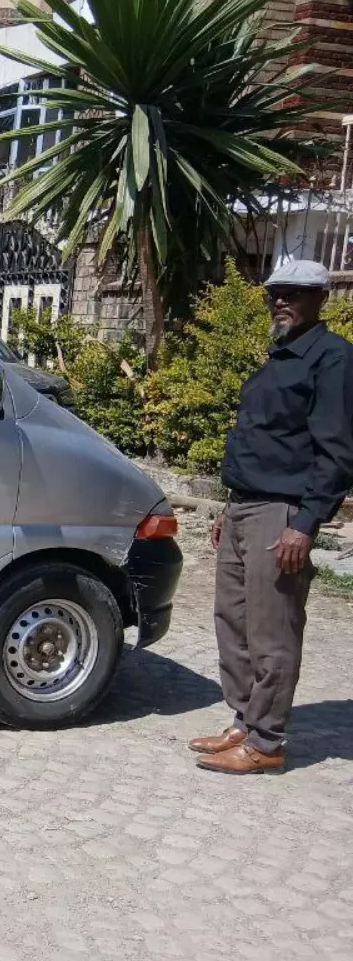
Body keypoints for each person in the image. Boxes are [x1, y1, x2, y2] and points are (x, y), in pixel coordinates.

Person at [191, 259, 353, 774]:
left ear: (320, 299)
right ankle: (243, 721)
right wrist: (227, 506)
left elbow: (337, 451)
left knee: (273, 631)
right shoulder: (277, 356)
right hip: (244, 506)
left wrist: (305, 523)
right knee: (232, 623)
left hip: (281, 513)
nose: (281, 301)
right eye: (274, 293)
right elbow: (259, 439)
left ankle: (266, 742)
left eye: (294, 293)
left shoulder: (332, 359)